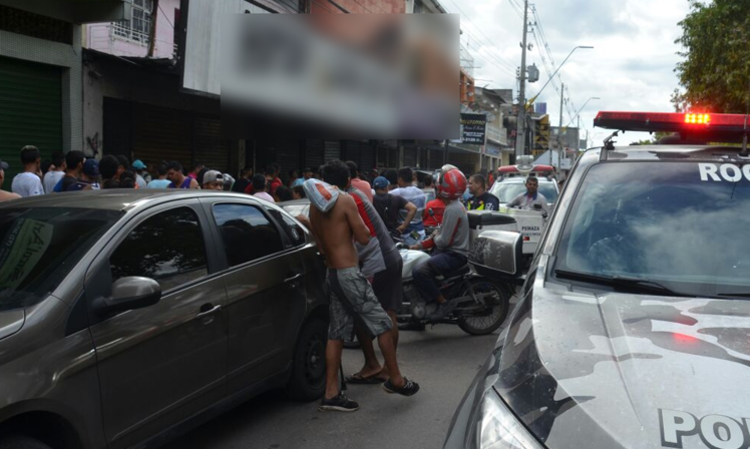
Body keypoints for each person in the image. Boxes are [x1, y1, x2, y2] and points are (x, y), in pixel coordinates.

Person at [305, 164, 418, 412]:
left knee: (336, 334)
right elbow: (365, 236)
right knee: (384, 323)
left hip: (332, 273)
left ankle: (331, 394)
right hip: (349, 274)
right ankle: (396, 379)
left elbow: (320, 244)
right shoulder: (345, 200)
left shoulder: (315, 206)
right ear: (348, 180)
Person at [411, 169, 471, 321]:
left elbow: (444, 241)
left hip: (454, 254)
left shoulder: (453, 208)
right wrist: (422, 244)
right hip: (449, 252)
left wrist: (436, 237)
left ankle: (443, 303)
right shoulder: (454, 205)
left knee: (419, 271)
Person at [389, 167, 427, 245]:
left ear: (400, 179)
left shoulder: (397, 192)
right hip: (420, 232)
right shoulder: (421, 192)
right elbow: (423, 212)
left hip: (407, 234)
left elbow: (382, 196)